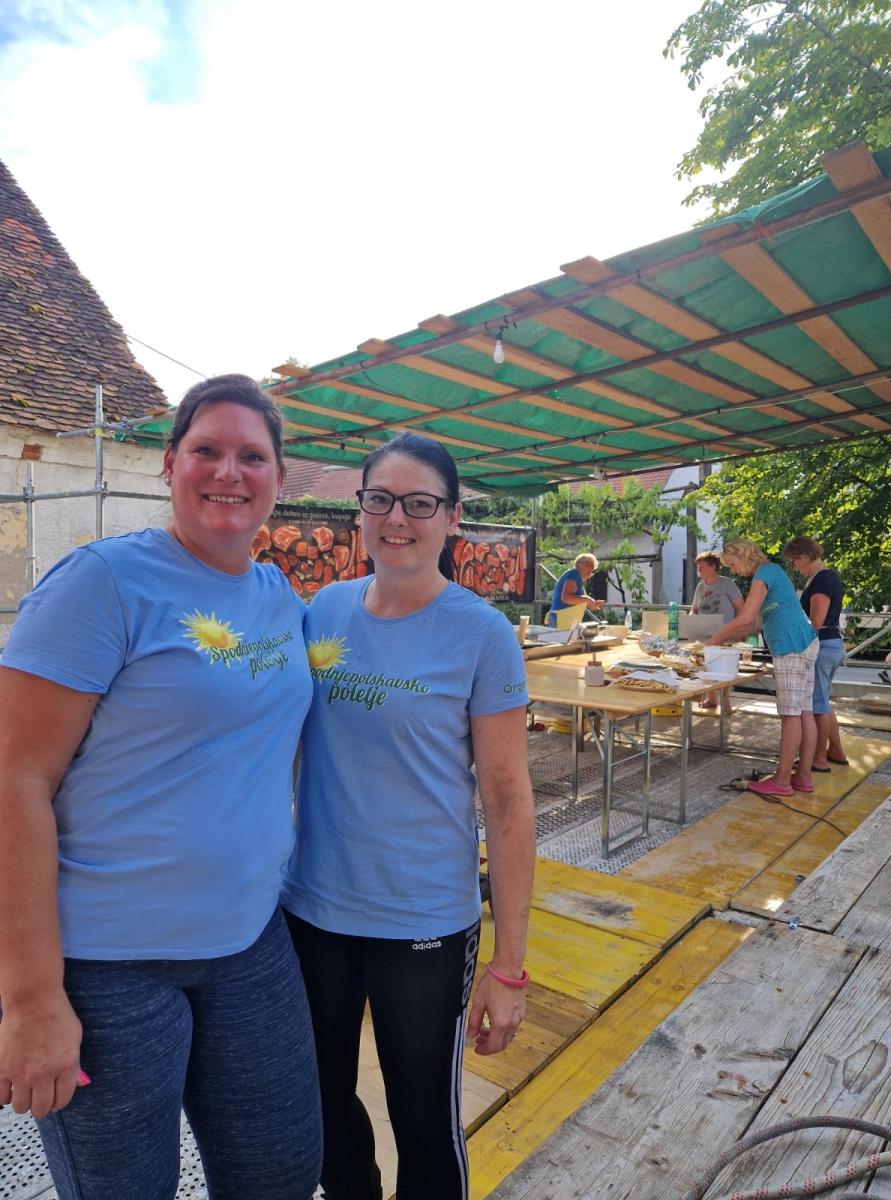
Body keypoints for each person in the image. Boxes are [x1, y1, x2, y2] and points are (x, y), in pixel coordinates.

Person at [0, 375, 322, 1200]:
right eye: (207, 450)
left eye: (252, 456)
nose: (229, 471)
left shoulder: (278, 596)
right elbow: (14, 779)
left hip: (250, 942)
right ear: (170, 463)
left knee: (283, 1173)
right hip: (109, 964)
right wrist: (30, 999)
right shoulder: (103, 583)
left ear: (278, 478)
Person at [281, 430, 535, 1200]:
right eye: (381, 499)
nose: (397, 518)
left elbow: (508, 803)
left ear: (452, 518)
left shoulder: (482, 634)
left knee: (423, 1122)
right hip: (314, 912)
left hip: (422, 923)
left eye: (420, 503)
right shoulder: (324, 611)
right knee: (319, 1107)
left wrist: (510, 967)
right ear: (359, 510)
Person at [708, 538, 818, 798]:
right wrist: (725, 640)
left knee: (790, 715)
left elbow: (745, 617)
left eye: (732, 565)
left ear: (743, 556)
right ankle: (803, 776)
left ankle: (781, 781)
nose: (734, 571)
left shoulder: (765, 572)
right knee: (804, 711)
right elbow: (753, 624)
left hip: (790, 646)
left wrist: (712, 641)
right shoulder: (770, 573)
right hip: (804, 642)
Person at [782, 536, 850, 770]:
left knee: (817, 705)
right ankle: (836, 751)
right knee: (823, 702)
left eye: (794, 561)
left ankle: (818, 759)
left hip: (823, 646)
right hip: (831, 644)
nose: (794, 566)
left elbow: (816, 622)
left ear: (804, 556)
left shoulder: (822, 579)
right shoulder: (824, 577)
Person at [690, 551, 745, 714]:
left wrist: (736, 629)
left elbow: (740, 607)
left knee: (725, 668)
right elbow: (694, 609)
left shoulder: (727, 584)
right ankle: (712, 698)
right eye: (698, 567)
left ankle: (726, 700)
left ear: (713, 566)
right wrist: (689, 622)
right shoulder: (700, 587)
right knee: (708, 666)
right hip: (704, 635)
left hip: (725, 633)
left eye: (702, 566)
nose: (699, 570)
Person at [547, 553, 604, 627]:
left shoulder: (574, 576)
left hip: (564, 619)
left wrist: (592, 603)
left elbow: (576, 601)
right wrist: (587, 599)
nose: (591, 573)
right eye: (591, 568)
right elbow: (566, 598)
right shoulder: (574, 575)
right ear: (584, 565)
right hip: (561, 619)